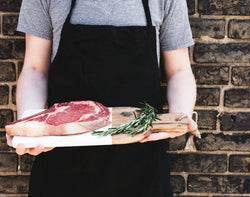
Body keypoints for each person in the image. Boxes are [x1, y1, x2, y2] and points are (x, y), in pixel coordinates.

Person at [6, 0, 197, 196]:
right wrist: (30, 126)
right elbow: (35, 69)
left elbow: (179, 70)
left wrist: (178, 116)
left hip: (143, 170)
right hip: (62, 169)